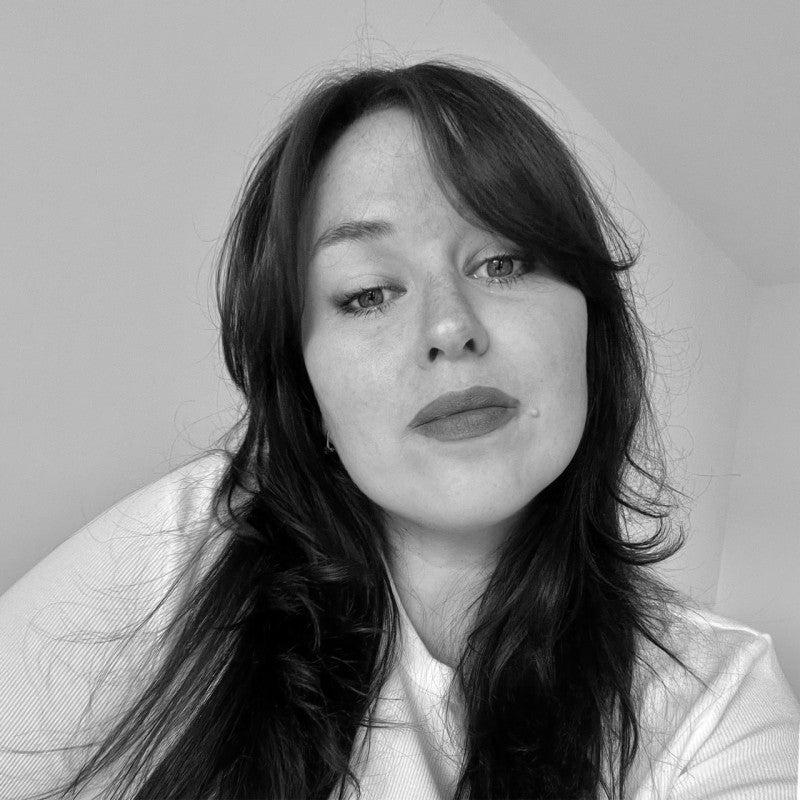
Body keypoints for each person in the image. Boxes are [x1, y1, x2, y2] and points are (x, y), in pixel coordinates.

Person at [0, 60, 797, 800]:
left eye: (504, 262)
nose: (451, 327)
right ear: (306, 390)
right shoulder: (187, 546)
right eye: (368, 294)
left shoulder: (715, 698)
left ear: (591, 326)